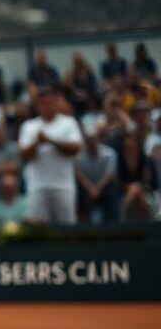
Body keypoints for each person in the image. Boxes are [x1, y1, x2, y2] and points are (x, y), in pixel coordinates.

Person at [18, 86, 83, 225]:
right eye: (43, 104)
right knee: (39, 229)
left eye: (50, 103)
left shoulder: (68, 123)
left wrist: (50, 141)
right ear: (37, 106)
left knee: (67, 227)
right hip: (37, 186)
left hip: (63, 185)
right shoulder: (29, 126)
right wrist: (36, 143)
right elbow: (23, 155)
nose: (47, 106)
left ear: (55, 103)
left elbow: (76, 148)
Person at [76, 126, 119, 224]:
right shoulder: (79, 156)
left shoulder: (110, 153)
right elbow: (80, 175)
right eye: (88, 140)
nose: (91, 142)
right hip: (88, 189)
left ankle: (112, 225)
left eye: (93, 139)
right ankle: (83, 226)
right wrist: (91, 188)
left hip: (104, 187)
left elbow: (109, 175)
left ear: (98, 139)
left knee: (111, 189)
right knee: (80, 192)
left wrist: (97, 189)